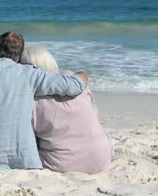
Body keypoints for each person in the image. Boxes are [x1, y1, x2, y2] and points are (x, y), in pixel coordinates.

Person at [0, 32, 89, 170]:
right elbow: (73, 86)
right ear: (19, 55)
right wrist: (82, 75)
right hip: (20, 159)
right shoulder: (30, 74)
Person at [20, 45, 111, 174]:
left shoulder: (32, 101)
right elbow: (95, 114)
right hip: (101, 158)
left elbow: (27, 140)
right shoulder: (73, 78)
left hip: (63, 165)